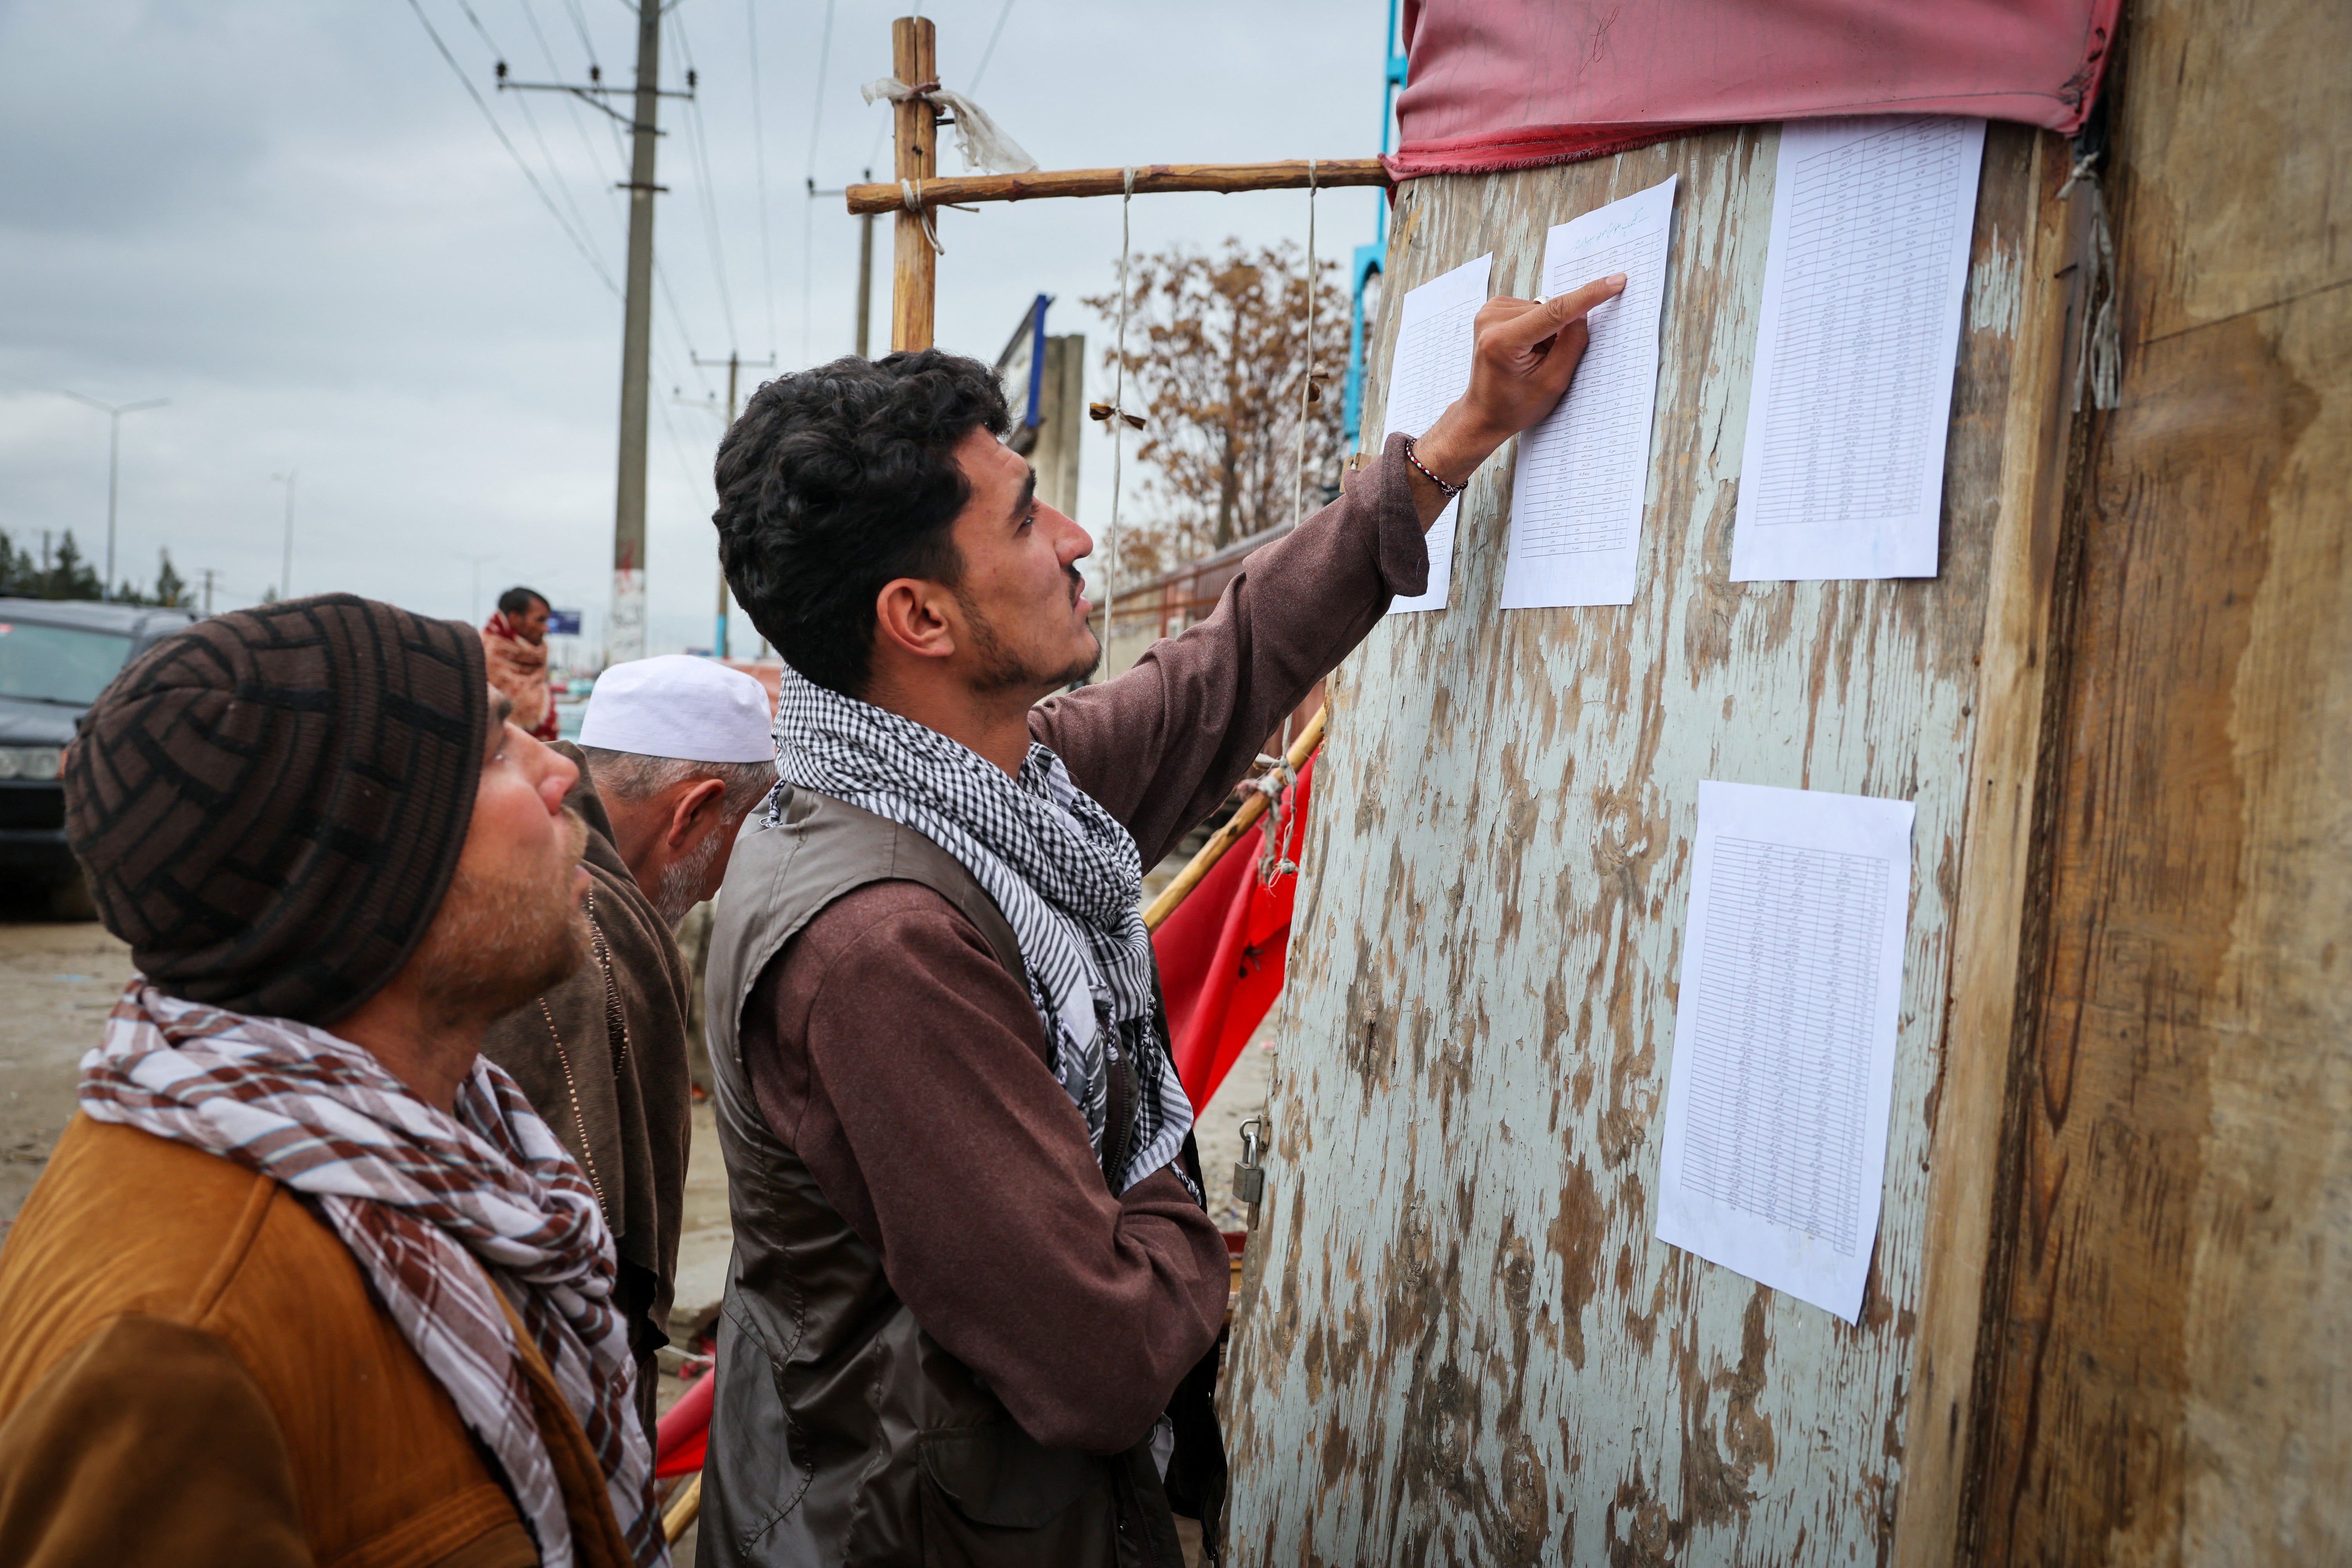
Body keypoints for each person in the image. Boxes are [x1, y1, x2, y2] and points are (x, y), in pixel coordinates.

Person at [697, 275, 1626, 1564]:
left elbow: (1227, 668)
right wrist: (1159, 1169)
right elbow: (1104, 1352)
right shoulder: (881, 941)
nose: (1077, 537)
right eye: (1026, 521)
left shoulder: (998, 795)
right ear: (917, 618)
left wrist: (1461, 438)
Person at [0, 594, 664, 1568]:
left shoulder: (451, 1155)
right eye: (490, 753)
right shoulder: (181, 1352)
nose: (562, 771)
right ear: (368, 875)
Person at [481, 653, 777, 1434]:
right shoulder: (585, 944)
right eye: (741, 832)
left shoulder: (536, 873)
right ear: (694, 812)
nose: (726, 876)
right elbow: (582, 1271)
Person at [486, 584, 561, 741]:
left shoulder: (537, 660)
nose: (546, 629)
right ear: (515, 619)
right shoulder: (482, 654)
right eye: (540, 620)